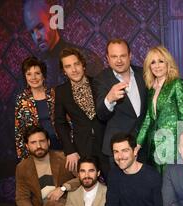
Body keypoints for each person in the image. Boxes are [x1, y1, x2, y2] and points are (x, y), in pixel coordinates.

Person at [54, 48, 109, 179]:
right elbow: (60, 123)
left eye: (76, 64)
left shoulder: (98, 83)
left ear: (83, 65)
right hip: (82, 148)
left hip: (106, 144)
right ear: (64, 71)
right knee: (88, 188)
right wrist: (70, 150)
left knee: (112, 183)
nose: (74, 69)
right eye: (68, 66)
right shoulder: (61, 92)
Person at [136, 46, 183, 174]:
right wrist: (138, 144)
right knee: (157, 186)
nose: (157, 66)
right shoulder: (151, 89)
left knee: (173, 185)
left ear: (168, 63)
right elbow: (148, 119)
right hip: (154, 146)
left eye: (161, 61)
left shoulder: (177, 83)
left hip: (173, 145)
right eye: (153, 62)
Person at [23, 0, 103, 88]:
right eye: (32, 32)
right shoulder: (30, 69)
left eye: (40, 27)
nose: (37, 37)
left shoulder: (87, 59)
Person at [94, 39, 148, 165]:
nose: (119, 60)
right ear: (107, 58)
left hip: (143, 146)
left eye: (123, 56)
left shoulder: (144, 73)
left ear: (130, 56)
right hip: (118, 150)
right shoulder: (101, 79)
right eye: (114, 56)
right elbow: (101, 115)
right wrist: (109, 99)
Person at [15, 56, 61, 160]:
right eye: (29, 74)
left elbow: (68, 122)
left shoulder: (54, 94)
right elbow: (19, 131)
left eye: (37, 73)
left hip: (59, 145)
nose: (33, 77)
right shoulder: (22, 100)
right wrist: (23, 158)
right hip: (37, 149)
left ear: (43, 76)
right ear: (25, 78)